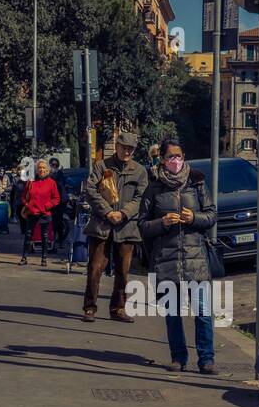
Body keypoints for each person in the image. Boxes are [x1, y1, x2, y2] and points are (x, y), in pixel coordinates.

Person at [139, 138, 218, 373]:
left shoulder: (197, 181)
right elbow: (142, 225)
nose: (176, 160)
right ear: (162, 159)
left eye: (179, 156)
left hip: (196, 258)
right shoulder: (153, 186)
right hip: (166, 259)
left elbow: (212, 215)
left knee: (203, 313)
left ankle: (207, 359)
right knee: (173, 314)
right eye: (171, 156)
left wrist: (193, 218)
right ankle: (178, 357)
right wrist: (162, 223)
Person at [81, 131, 147, 323]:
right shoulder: (102, 166)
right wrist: (108, 211)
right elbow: (90, 190)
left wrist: (124, 213)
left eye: (131, 149)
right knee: (95, 267)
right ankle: (90, 308)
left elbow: (141, 198)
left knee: (123, 271)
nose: (127, 152)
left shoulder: (140, 171)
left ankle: (118, 308)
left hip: (126, 227)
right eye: (124, 147)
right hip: (101, 224)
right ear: (117, 146)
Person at [20, 159, 61, 266]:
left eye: (44, 168)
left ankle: (44, 259)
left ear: (47, 170)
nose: (41, 170)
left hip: (45, 213)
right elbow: (23, 197)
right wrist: (28, 205)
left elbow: (56, 198)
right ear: (37, 170)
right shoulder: (31, 182)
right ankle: (24, 258)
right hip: (32, 212)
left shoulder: (52, 183)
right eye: (39, 168)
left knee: (45, 236)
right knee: (28, 235)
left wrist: (47, 206)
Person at [48, 158, 70, 250]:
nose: (54, 166)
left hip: (60, 202)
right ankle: (51, 241)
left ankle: (60, 241)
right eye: (53, 165)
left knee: (59, 222)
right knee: (51, 222)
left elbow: (61, 186)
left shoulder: (59, 175)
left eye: (56, 165)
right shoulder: (48, 175)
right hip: (51, 202)